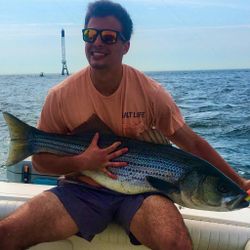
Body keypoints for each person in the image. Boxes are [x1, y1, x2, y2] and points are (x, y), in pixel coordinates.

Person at [0, 1, 249, 249]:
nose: (97, 42)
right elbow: (41, 163)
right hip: (82, 189)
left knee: (177, 244)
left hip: (143, 195)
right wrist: (83, 162)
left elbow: (193, 143)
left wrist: (238, 182)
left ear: (125, 46)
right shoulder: (61, 96)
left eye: (108, 37)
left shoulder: (150, 92)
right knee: (6, 234)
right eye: (90, 34)